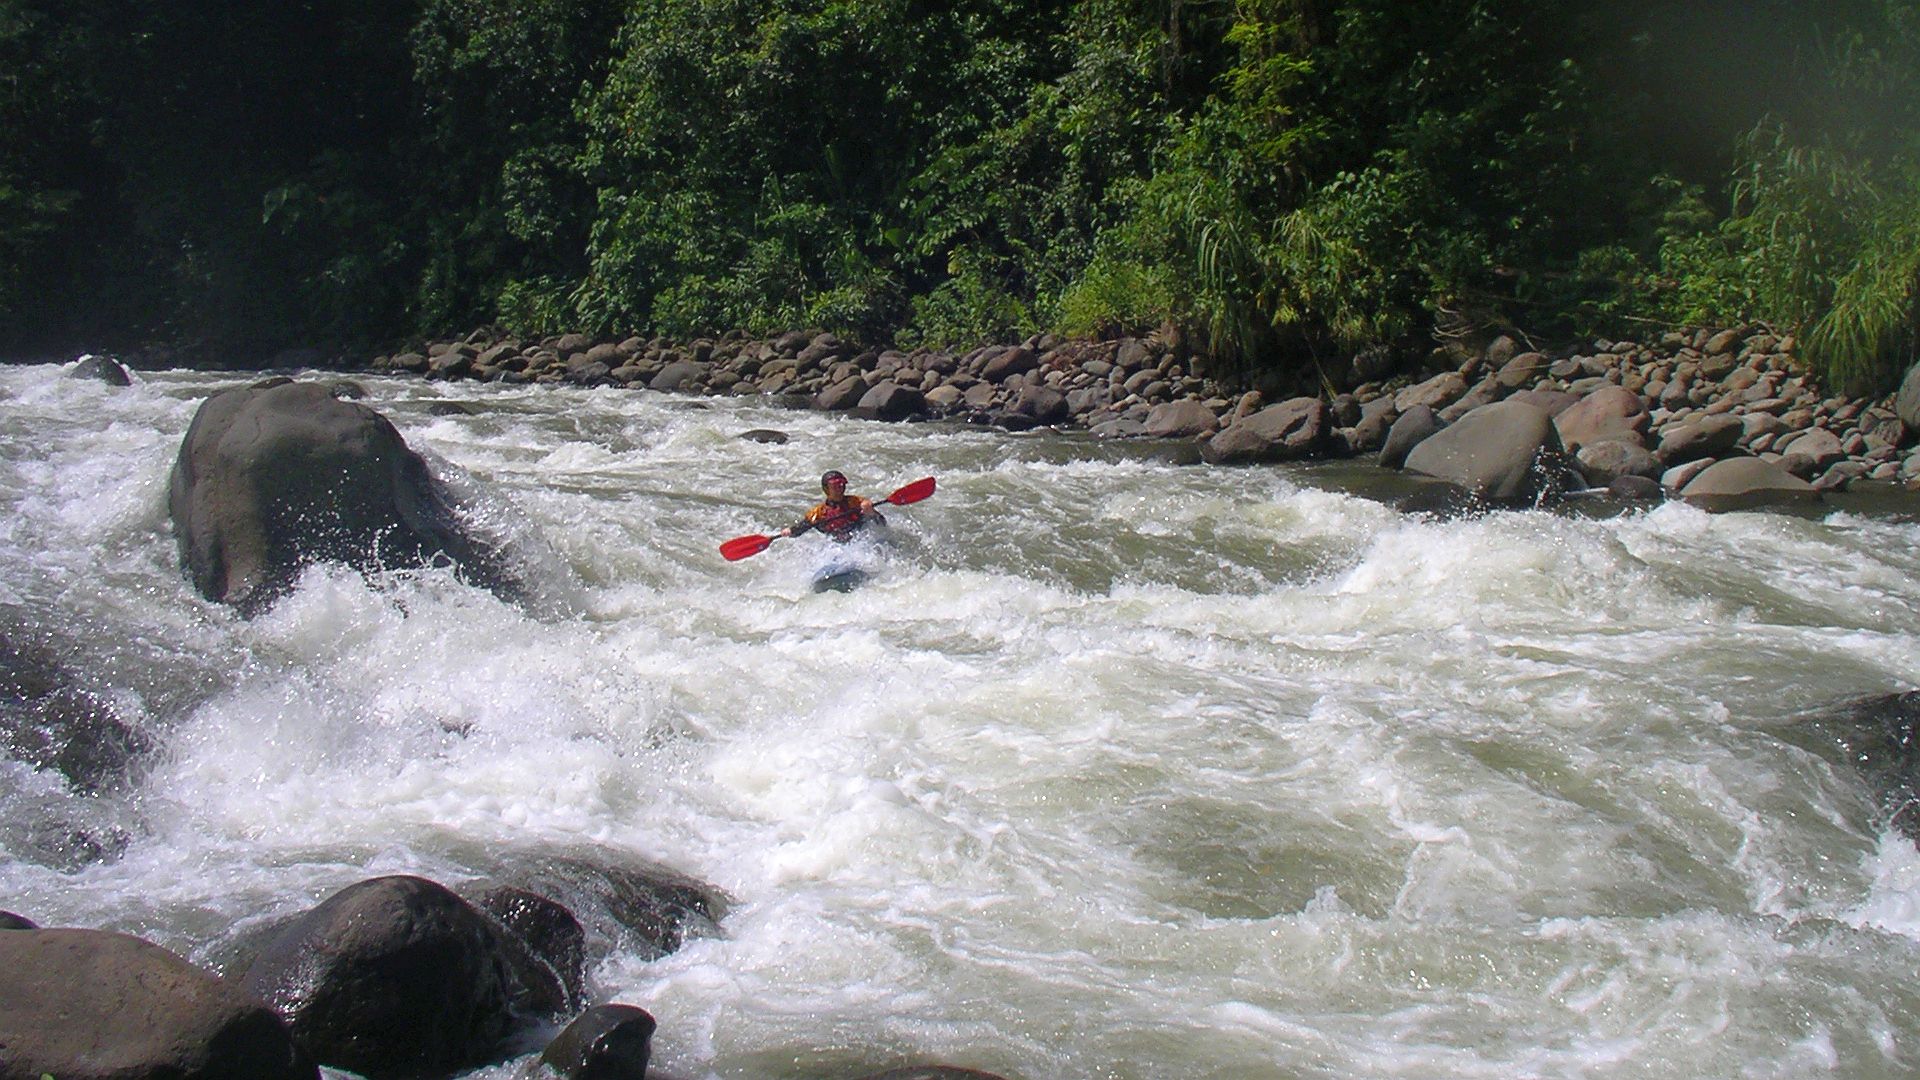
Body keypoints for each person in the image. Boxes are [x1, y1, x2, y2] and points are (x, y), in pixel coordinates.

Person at [781, 470, 885, 542]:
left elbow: (882, 523)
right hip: (836, 546)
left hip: (860, 540)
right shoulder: (818, 513)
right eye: (835, 485)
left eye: (842, 484)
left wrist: (871, 512)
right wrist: (790, 531)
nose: (840, 487)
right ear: (826, 489)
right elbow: (801, 528)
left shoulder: (857, 502)